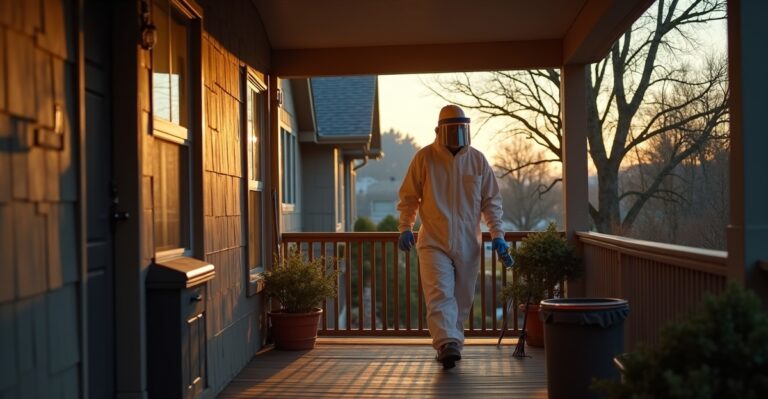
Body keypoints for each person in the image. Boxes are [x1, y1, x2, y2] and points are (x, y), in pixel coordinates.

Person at [397, 104, 513, 369]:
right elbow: (408, 197)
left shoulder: (478, 160)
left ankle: (451, 344)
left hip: (469, 243)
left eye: (462, 129)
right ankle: (447, 343)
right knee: (439, 294)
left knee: (461, 299)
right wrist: (405, 226)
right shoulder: (424, 159)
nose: (458, 135)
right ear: (439, 130)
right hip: (433, 241)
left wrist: (498, 235)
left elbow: (491, 202)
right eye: (453, 129)